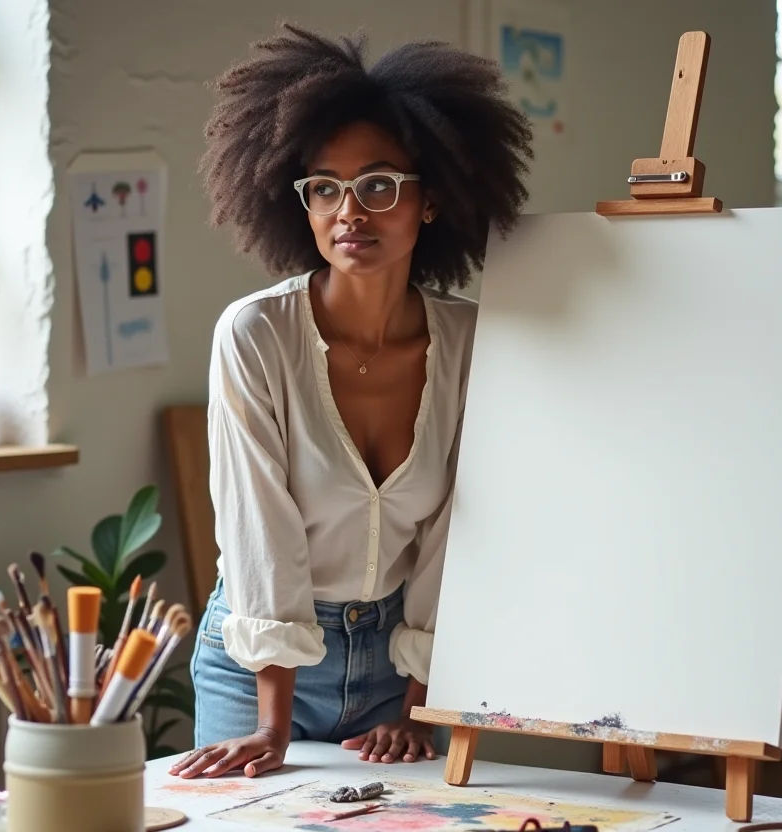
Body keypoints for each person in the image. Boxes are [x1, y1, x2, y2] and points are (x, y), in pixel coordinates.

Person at [170, 23, 533, 780]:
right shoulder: (256, 335)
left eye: (378, 185)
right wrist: (272, 728)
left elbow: (456, 532)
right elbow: (258, 532)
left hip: (398, 668)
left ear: (429, 200)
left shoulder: (469, 342)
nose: (349, 213)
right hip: (258, 669)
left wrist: (418, 704)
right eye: (325, 188)